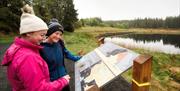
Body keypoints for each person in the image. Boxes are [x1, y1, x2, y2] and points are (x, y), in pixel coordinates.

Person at [1, 4, 70, 91]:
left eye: (45, 35)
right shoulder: (28, 57)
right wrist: (63, 81)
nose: (43, 38)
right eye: (42, 35)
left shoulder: (18, 48)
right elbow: (39, 89)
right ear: (28, 33)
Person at [40, 18, 81, 91]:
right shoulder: (41, 48)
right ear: (49, 33)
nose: (58, 36)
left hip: (64, 79)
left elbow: (67, 54)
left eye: (60, 34)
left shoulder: (59, 43)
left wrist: (79, 58)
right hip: (52, 83)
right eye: (56, 33)